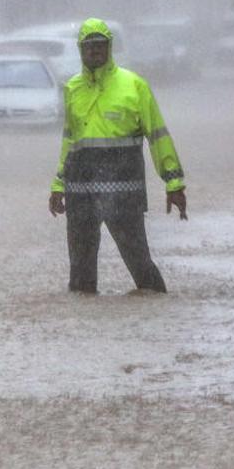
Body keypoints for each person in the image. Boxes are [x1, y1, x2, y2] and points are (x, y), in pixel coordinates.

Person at [48, 18, 188, 294]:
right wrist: (58, 185)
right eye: (89, 47)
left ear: (109, 48)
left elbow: (158, 136)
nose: (95, 52)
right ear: (80, 50)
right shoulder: (72, 89)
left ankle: (155, 307)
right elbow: (69, 141)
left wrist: (174, 183)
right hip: (80, 193)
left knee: (139, 263)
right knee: (80, 274)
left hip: (124, 192)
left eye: (100, 46)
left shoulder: (134, 85)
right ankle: (83, 329)